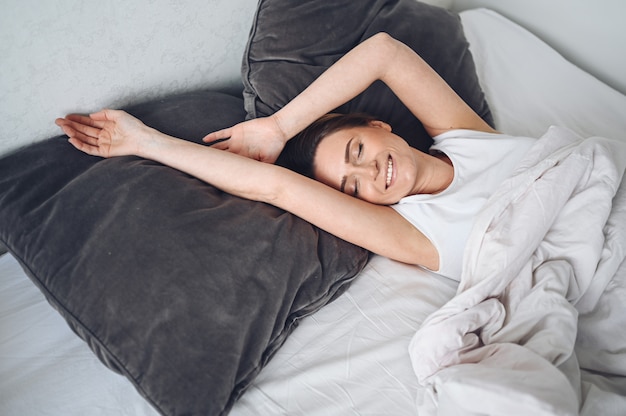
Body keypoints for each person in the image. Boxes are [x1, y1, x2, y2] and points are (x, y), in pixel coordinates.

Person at [55, 32, 535, 280]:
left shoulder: (470, 137)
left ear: (379, 126)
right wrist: (144, 142)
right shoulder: (414, 234)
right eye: (352, 186)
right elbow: (276, 187)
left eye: (357, 150)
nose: (369, 172)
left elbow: (385, 53)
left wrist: (279, 127)